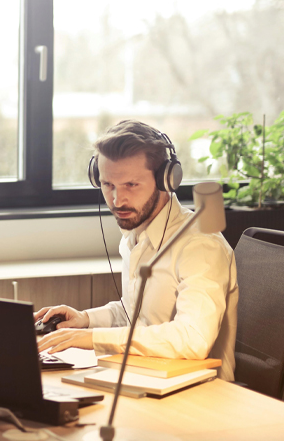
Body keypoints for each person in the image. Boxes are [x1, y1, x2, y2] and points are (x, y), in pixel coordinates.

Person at [34, 120, 238, 381]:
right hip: (145, 377)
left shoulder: (201, 245)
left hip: (200, 394)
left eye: (131, 185)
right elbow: (137, 315)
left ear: (166, 179)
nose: (117, 201)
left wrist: (93, 338)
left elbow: (193, 339)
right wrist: (85, 320)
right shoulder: (135, 235)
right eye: (108, 185)